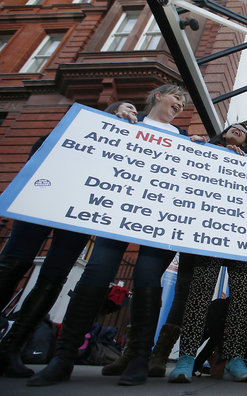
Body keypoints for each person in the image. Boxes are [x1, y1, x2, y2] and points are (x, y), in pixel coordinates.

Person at [27, 84, 189, 387]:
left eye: (183, 102)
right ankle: (63, 358)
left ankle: (138, 357)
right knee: (97, 271)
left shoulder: (183, 138)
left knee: (146, 279)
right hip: (114, 211)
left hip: (159, 217)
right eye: (176, 98)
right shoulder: (126, 123)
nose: (180, 104)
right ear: (158, 96)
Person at [0, 101, 136, 378]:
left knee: (54, 277)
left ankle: (10, 349)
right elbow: (40, 148)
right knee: (13, 263)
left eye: (136, 112)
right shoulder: (81, 124)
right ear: (112, 110)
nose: (133, 114)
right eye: (129, 108)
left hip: (79, 212)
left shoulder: (131, 143)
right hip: (42, 201)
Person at [166, 123, 247, 384]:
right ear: (222, 135)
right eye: (231, 127)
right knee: (200, 294)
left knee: (241, 297)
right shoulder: (207, 149)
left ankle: (235, 358)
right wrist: (206, 148)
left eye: (242, 129)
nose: (236, 129)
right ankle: (186, 357)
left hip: (244, 236)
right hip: (212, 232)